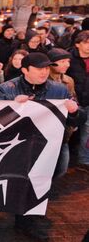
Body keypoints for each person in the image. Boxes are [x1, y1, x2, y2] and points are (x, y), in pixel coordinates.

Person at [0, 53, 85, 242]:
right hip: (10, 150)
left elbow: (79, 118)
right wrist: (10, 106)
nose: (44, 72)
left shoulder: (60, 90)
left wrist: (74, 111)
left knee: (33, 187)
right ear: (25, 70)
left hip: (45, 150)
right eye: (39, 68)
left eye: (46, 68)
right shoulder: (6, 88)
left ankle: (24, 222)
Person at [47, 48, 78, 178]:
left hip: (64, 131)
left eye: (68, 61)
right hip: (47, 130)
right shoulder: (43, 80)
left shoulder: (69, 81)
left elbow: (74, 99)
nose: (67, 64)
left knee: (61, 169)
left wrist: (74, 119)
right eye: (62, 61)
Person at [67, 31, 89, 171]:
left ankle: (84, 160)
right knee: (71, 132)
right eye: (86, 43)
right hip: (74, 102)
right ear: (77, 44)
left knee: (87, 131)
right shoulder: (69, 58)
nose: (88, 46)